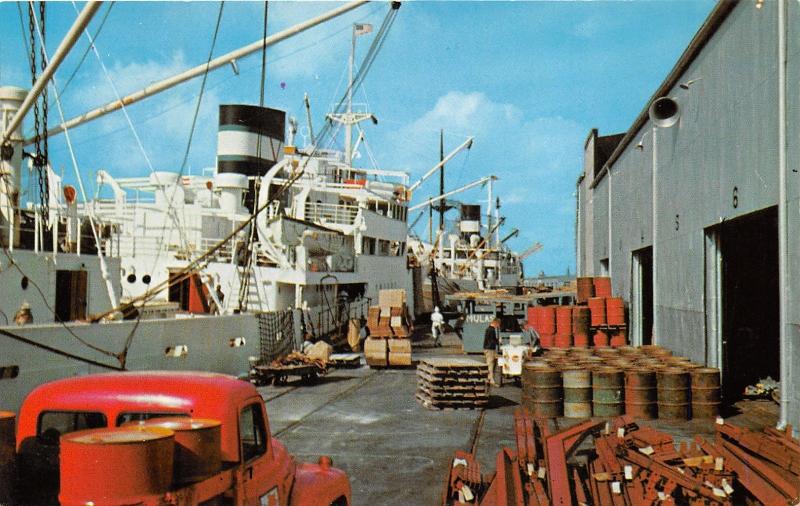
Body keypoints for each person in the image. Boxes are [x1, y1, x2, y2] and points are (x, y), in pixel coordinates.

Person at [483, 318, 501, 385]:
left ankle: (490, 378)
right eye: (498, 325)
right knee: (490, 364)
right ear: (496, 323)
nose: (498, 326)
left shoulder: (488, 329)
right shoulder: (492, 330)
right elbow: (492, 340)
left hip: (487, 348)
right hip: (490, 349)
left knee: (491, 363)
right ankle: (490, 379)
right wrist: (498, 341)